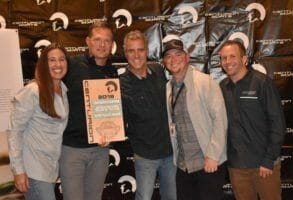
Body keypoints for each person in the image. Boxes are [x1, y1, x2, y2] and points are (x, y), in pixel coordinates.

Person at [219, 40, 286, 200]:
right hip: (237, 167)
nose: (227, 62)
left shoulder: (262, 83)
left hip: (263, 165)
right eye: (223, 58)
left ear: (244, 59)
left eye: (232, 56)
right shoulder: (222, 87)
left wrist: (269, 160)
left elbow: (277, 123)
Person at [162, 39, 228, 200]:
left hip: (207, 164)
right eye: (168, 56)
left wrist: (213, 156)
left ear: (187, 57)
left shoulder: (205, 82)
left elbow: (220, 120)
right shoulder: (168, 87)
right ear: (164, 62)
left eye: (178, 54)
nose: (173, 59)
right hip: (184, 166)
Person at [59, 22, 118, 200]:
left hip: (100, 151)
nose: (102, 45)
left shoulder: (112, 71)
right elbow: (48, 82)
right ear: (88, 41)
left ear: (112, 44)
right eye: (97, 39)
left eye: (107, 40)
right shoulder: (71, 65)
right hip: (72, 150)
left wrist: (110, 134)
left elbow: (111, 111)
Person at [7, 43, 69, 200]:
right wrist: (18, 170)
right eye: (52, 60)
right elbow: (14, 132)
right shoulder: (33, 91)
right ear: (43, 64)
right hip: (34, 171)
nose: (58, 64)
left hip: (50, 170)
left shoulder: (63, 90)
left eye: (62, 59)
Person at [120, 30, 176, 200]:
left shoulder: (159, 71)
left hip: (169, 153)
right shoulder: (120, 85)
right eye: (131, 50)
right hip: (145, 156)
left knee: (172, 197)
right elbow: (115, 119)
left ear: (147, 50)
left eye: (140, 50)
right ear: (125, 53)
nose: (136, 55)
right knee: (143, 197)